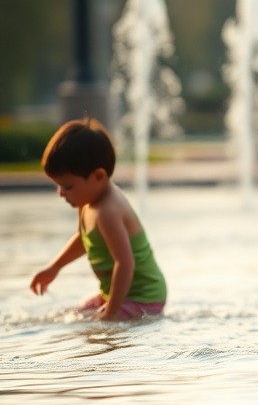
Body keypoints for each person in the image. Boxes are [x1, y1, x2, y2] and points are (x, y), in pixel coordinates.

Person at [29, 119, 168, 320]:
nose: (61, 193)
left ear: (98, 176)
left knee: (96, 329)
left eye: (68, 187)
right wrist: (54, 267)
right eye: (58, 186)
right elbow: (83, 239)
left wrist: (111, 313)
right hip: (119, 294)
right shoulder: (87, 201)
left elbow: (125, 263)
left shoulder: (108, 211)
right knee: (76, 314)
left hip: (144, 298)